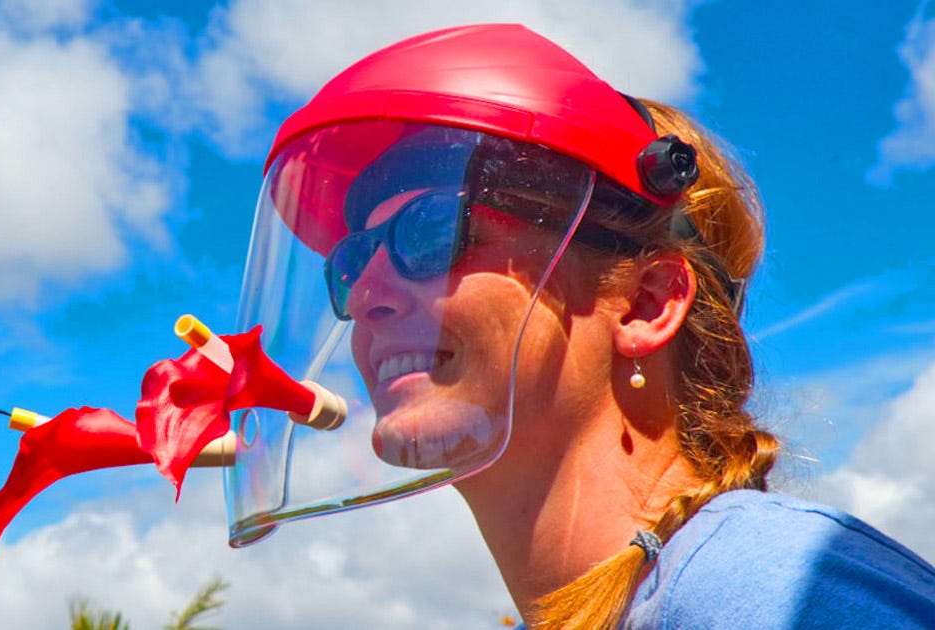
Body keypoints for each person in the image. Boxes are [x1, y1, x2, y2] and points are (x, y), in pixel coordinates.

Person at [230, 23, 935, 627]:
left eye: (433, 233)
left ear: (646, 303)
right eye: (351, 261)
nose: (365, 294)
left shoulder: (761, 585)